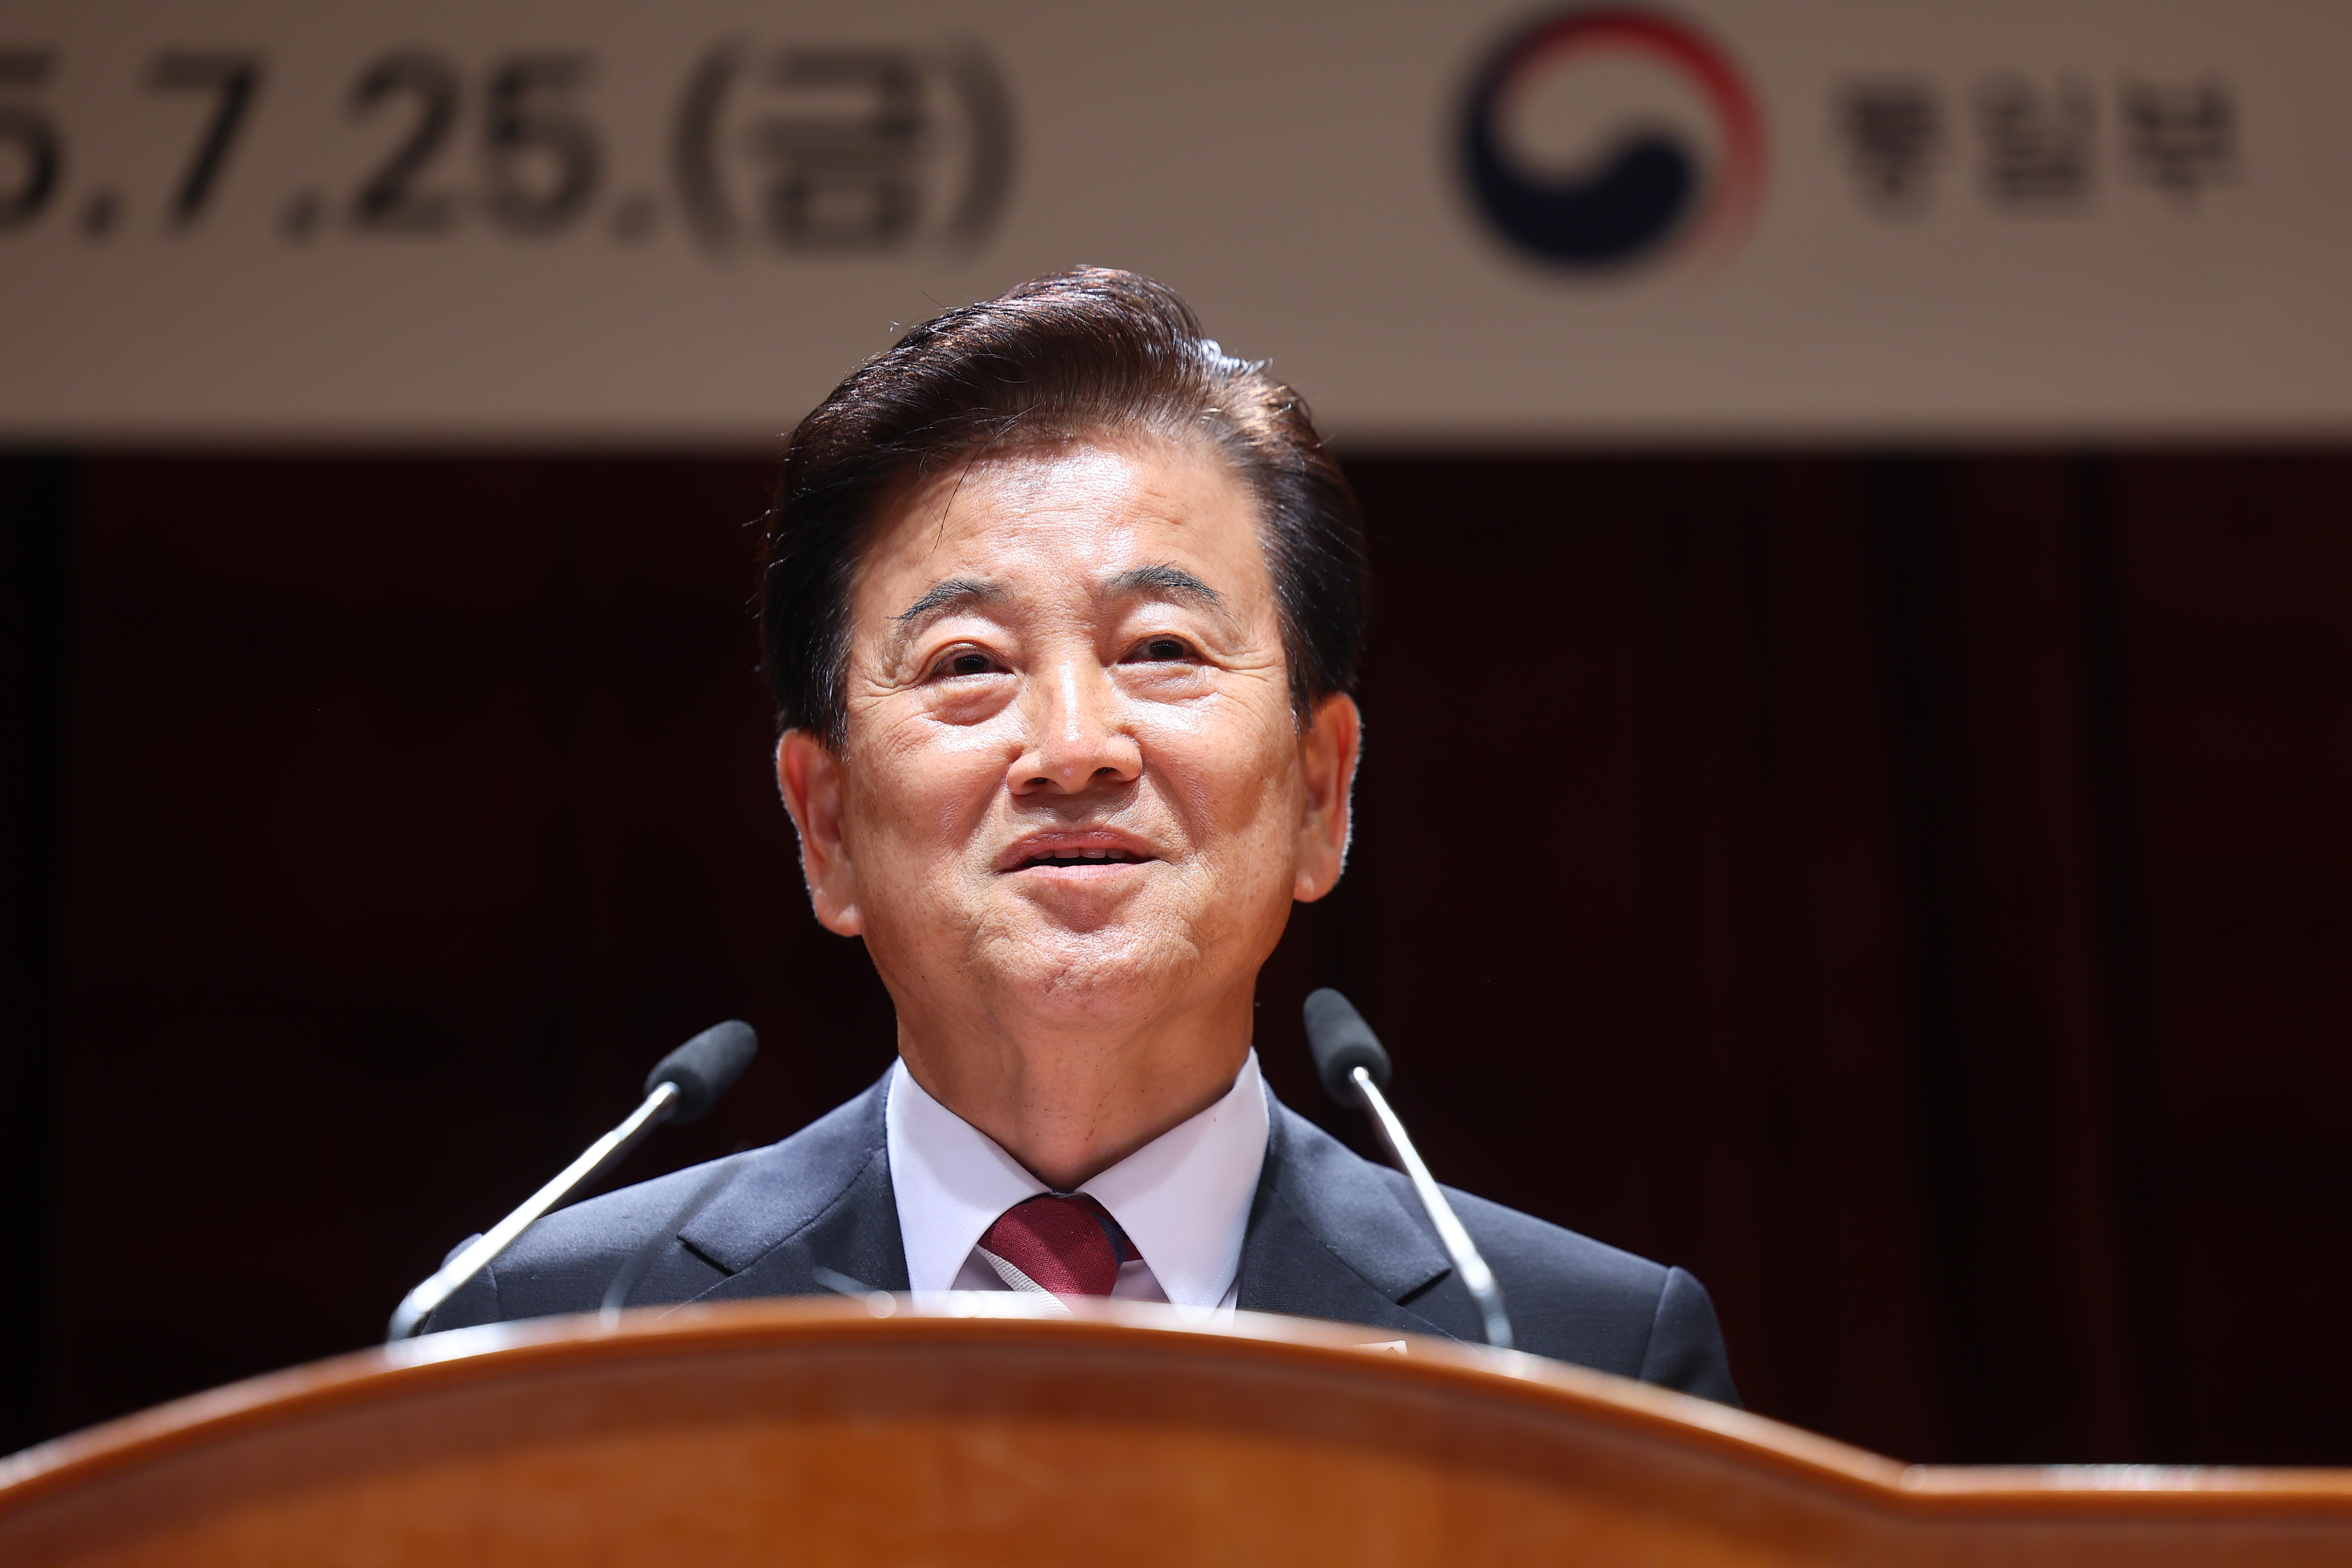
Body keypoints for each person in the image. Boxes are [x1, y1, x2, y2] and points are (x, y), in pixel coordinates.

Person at [420, 268, 1738, 1405]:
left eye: (1160, 649)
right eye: (968, 662)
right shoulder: (558, 1334)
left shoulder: (1575, 1358)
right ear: (824, 828)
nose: (1073, 746)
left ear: (1322, 795)